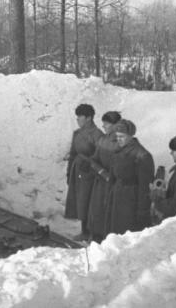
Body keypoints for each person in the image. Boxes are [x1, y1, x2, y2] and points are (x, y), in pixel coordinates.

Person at [64, 104, 104, 242]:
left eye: (80, 116)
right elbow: (73, 154)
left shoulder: (97, 135)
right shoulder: (77, 133)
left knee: (89, 202)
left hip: (91, 173)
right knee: (80, 202)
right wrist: (69, 173)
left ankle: (92, 233)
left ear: (89, 118)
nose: (78, 119)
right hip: (78, 171)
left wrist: (91, 166)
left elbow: (101, 155)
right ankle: (84, 232)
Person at [108, 120, 155, 234]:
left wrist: (142, 210)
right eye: (117, 136)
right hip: (118, 195)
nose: (118, 139)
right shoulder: (119, 150)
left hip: (131, 200)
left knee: (126, 233)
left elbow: (144, 186)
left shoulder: (142, 155)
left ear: (130, 136)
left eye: (122, 136)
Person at [87, 111, 122, 243]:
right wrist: (101, 171)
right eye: (103, 124)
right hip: (101, 182)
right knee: (96, 211)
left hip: (114, 184)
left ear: (116, 125)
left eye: (107, 124)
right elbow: (94, 159)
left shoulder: (120, 142)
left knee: (109, 213)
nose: (104, 127)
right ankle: (95, 238)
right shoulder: (102, 140)